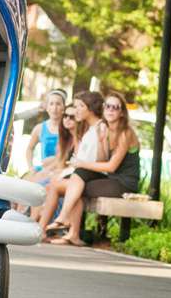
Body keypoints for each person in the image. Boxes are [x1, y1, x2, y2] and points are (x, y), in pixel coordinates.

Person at [48, 91, 140, 246]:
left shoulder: (126, 133)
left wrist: (81, 163)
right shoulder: (105, 130)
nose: (110, 110)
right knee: (80, 176)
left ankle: (67, 224)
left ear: (122, 112)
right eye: (108, 106)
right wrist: (101, 141)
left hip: (124, 183)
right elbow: (102, 159)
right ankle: (70, 230)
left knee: (78, 184)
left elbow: (111, 166)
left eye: (115, 107)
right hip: (111, 179)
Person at [38, 90, 106, 244]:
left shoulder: (101, 127)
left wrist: (80, 163)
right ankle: (66, 232)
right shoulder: (89, 129)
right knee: (55, 185)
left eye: (80, 106)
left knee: (57, 186)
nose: (76, 111)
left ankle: (52, 226)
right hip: (83, 174)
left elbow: (102, 159)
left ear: (90, 108)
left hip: (94, 175)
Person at [28, 103, 78, 221]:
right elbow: (60, 163)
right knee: (33, 182)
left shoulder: (80, 138)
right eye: (65, 116)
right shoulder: (65, 138)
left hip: (73, 177)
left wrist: (53, 172)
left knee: (43, 185)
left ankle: (36, 221)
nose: (67, 119)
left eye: (72, 117)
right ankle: (31, 219)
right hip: (60, 173)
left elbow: (73, 165)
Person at [25, 89, 66, 173]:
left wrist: (56, 159)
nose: (54, 108)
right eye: (51, 104)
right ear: (47, 108)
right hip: (45, 171)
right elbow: (29, 148)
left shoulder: (69, 128)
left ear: (63, 107)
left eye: (58, 104)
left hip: (63, 172)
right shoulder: (39, 128)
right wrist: (31, 167)